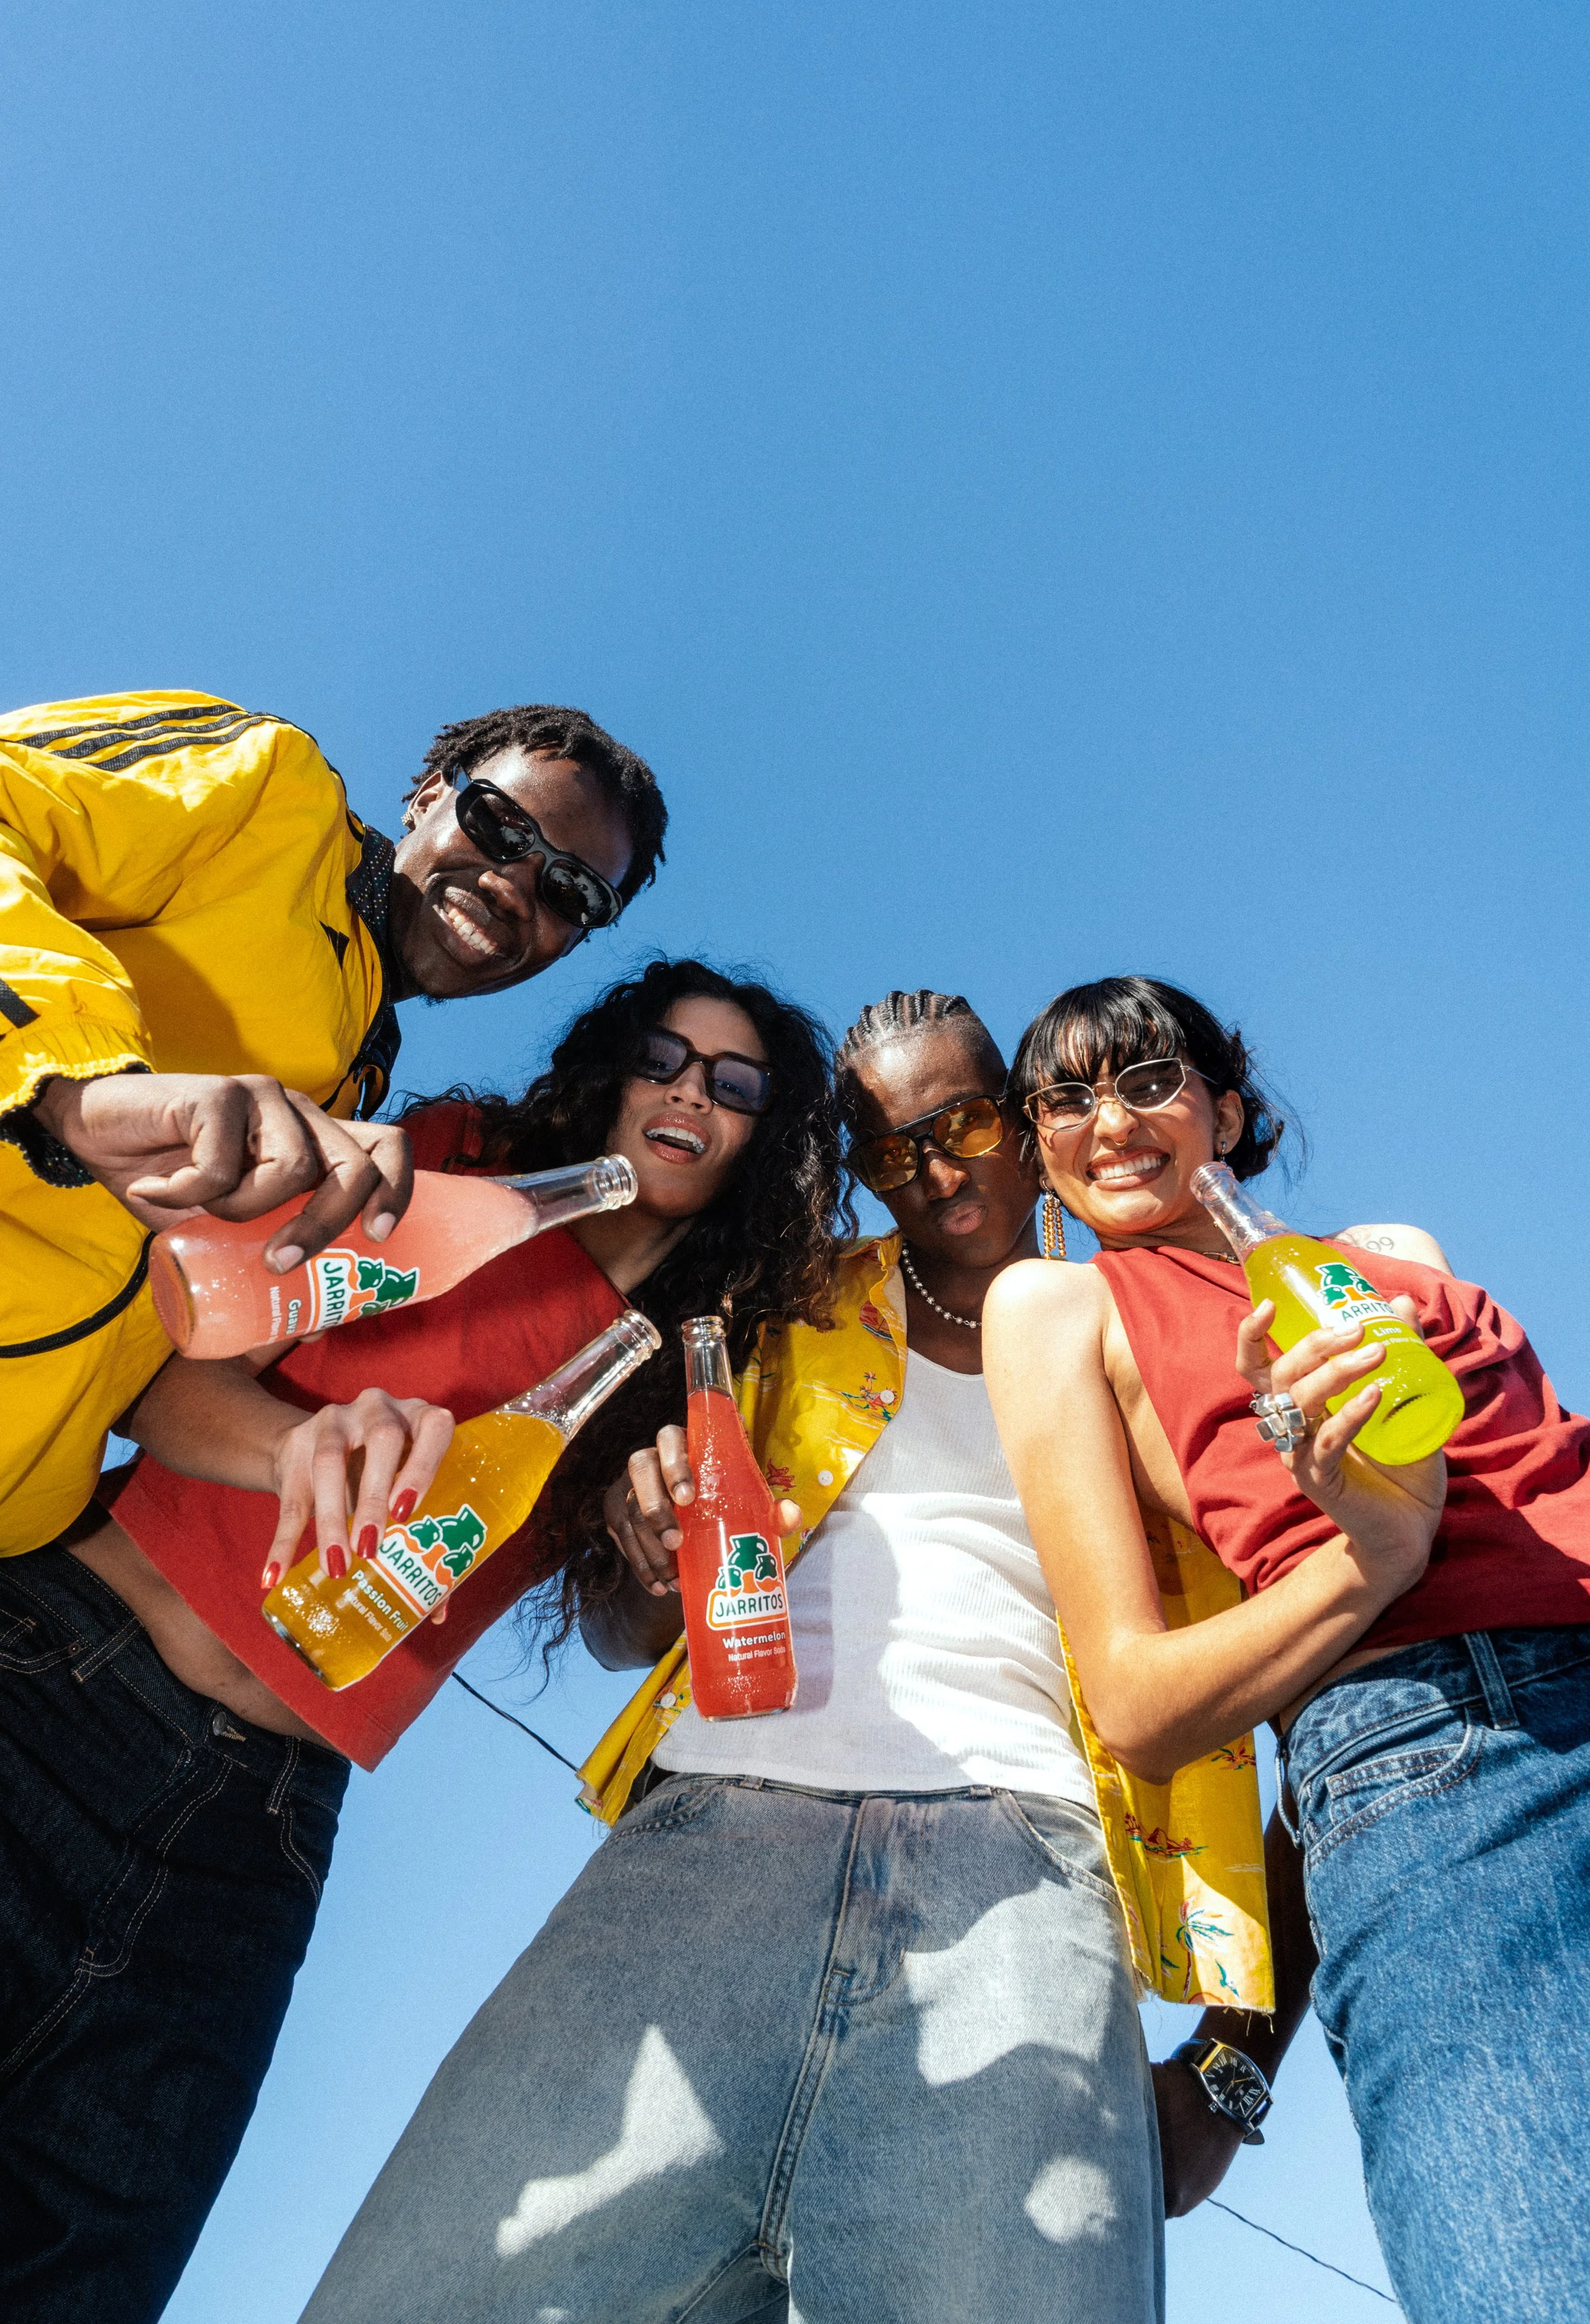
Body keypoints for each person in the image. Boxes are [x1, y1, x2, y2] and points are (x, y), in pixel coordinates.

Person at [296, 990, 1311, 2324]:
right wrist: (643, 1554)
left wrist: (1235, 2066)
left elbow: (1333, 1703)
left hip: (1029, 1878)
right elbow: (619, 1633)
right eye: (888, 1149)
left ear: (1023, 1123)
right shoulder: (774, 1309)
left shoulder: (1166, 1335)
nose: (932, 1171)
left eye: (962, 1125)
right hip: (707, 1847)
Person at [0, 960, 836, 2324]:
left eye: (734, 1084)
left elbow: (621, 1632)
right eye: (663, 1057)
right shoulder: (449, 1169)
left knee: (83, 2267)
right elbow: (154, 1366)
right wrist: (299, 1450)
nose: (689, 1090)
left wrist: (650, 1562)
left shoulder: (691, 1371)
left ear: (761, 1134)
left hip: (260, 1819)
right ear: (613, 1073)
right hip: (65, 1676)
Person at [984, 974, 1590, 2324]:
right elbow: (1135, 1702)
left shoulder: (1389, 1248)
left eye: (1148, 1080)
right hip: (1440, 1760)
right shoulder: (1060, 1307)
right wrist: (1374, 1554)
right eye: (1063, 1100)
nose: (1109, 1122)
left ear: (1225, 1108)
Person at [0, 687, 665, 1551]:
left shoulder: (358, 1090)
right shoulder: (273, 790)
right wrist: (74, 1086)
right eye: (502, 825)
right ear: (429, 794)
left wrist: (296, 1446)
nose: (513, 886)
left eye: (572, 892)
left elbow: (135, 1348)